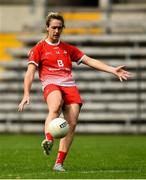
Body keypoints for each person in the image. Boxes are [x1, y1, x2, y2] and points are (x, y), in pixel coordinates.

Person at [18, 12, 131, 172]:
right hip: (51, 83)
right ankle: (49, 139)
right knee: (55, 105)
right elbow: (30, 72)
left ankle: (58, 163)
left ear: (63, 28)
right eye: (53, 28)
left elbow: (89, 60)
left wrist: (112, 70)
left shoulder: (67, 48)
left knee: (71, 123)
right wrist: (26, 94)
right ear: (47, 28)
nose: (57, 31)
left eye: (59, 28)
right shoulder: (38, 49)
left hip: (69, 86)